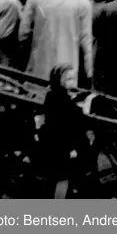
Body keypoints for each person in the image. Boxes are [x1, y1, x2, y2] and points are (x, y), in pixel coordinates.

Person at [19, 0, 94, 84]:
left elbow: (23, 33)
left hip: (39, 64)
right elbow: (86, 42)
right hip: (68, 68)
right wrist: (89, 71)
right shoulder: (83, 2)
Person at [38, 65, 89, 199]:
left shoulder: (52, 96)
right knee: (62, 179)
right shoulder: (64, 102)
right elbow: (71, 124)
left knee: (54, 180)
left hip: (53, 143)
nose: (73, 82)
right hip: (63, 147)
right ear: (61, 81)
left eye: (73, 79)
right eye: (69, 79)